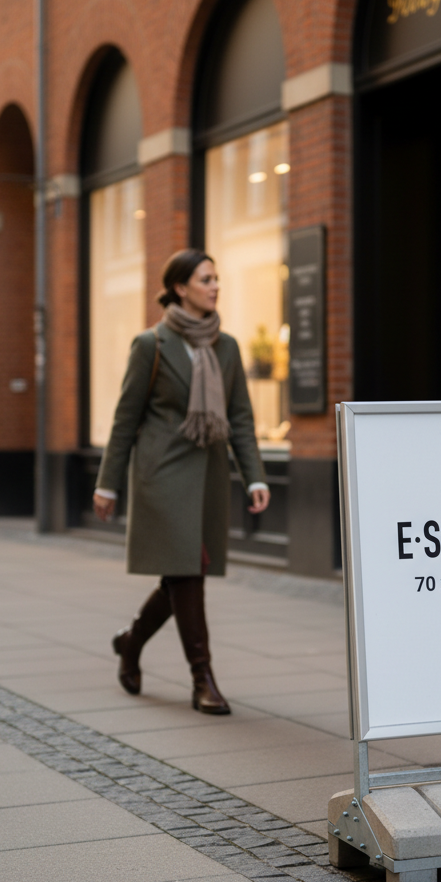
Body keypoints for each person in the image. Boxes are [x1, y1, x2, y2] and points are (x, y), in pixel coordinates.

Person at [93, 249, 269, 714]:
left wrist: (254, 476)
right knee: (188, 573)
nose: (215, 286)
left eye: (216, 279)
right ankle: (202, 679)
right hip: (161, 476)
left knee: (182, 574)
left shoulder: (225, 346)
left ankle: (131, 643)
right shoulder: (150, 344)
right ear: (179, 288)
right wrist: (107, 483)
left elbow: (241, 419)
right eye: (205, 279)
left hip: (208, 476)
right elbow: (125, 419)